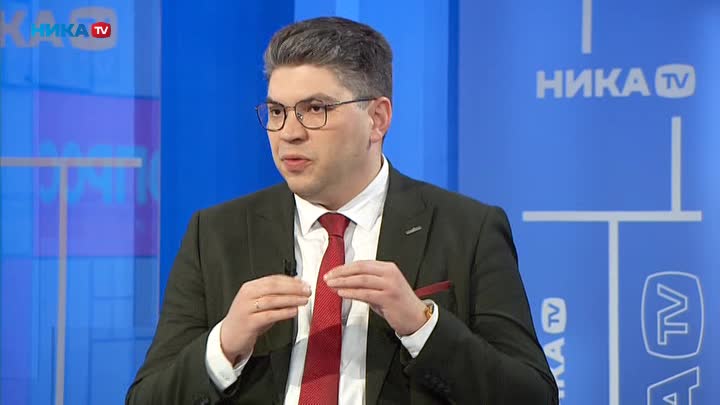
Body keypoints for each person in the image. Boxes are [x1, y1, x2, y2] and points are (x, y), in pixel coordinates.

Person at [126, 16, 558, 405]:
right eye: (276, 111)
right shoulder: (216, 233)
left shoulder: (468, 229)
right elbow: (147, 397)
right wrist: (224, 346)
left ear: (377, 119)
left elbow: (532, 395)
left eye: (315, 109)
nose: (288, 133)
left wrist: (422, 326)